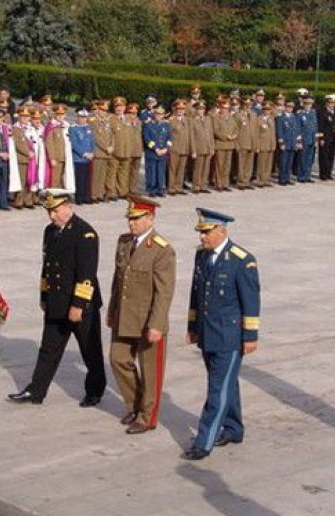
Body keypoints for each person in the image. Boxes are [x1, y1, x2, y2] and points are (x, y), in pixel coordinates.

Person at [8, 189, 106, 406]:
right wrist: (44, 295)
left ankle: (94, 390)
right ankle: (36, 391)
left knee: (90, 352)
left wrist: (78, 305)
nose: (52, 216)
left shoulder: (85, 233)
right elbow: (48, 267)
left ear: (67, 206)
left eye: (55, 211)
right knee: (48, 349)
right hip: (56, 302)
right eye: (49, 211)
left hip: (80, 306)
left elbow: (87, 273)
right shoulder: (50, 232)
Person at [183, 208, 260, 460]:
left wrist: (250, 337)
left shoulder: (241, 260)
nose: (203, 237)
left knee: (217, 389)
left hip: (229, 337)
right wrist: (193, 327)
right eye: (201, 233)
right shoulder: (202, 256)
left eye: (207, 232)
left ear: (222, 231)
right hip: (208, 333)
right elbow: (196, 294)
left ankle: (204, 441)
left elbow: (250, 302)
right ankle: (234, 428)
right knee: (227, 384)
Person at [107, 196, 176, 434]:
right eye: (130, 218)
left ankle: (147, 417)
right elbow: (117, 282)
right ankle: (135, 404)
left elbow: (164, 292)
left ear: (150, 218)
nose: (131, 224)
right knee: (117, 359)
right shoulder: (124, 242)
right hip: (125, 316)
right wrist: (112, 311)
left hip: (148, 320)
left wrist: (156, 324)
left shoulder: (161, 249)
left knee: (151, 372)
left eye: (136, 219)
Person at [142, 107, 171, 197]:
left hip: (163, 152)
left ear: (163, 115)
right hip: (152, 152)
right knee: (152, 172)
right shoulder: (149, 125)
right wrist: (155, 148)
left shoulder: (166, 125)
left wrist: (166, 148)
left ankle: (160, 189)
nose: (159, 116)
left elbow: (169, 138)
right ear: (154, 114)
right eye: (157, 114)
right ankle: (152, 189)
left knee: (161, 171)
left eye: (161, 114)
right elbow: (147, 139)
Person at [68, 109, 94, 204]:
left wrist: (92, 152)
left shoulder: (88, 128)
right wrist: (84, 153)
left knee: (87, 179)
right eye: (81, 117)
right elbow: (74, 144)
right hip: (79, 158)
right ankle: (79, 198)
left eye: (84, 118)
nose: (83, 119)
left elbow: (92, 141)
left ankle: (86, 197)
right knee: (79, 179)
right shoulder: (73, 128)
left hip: (88, 158)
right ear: (77, 117)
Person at [212, 97, 238, 191]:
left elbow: (236, 128)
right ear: (220, 108)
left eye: (227, 108)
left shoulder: (231, 118)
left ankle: (225, 184)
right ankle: (218, 184)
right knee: (219, 165)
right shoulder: (216, 118)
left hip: (230, 144)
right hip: (221, 144)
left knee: (227, 166)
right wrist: (226, 136)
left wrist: (234, 135)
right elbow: (216, 131)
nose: (225, 110)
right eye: (223, 108)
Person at [166, 99, 192, 195]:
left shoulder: (187, 120)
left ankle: (179, 187)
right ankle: (171, 188)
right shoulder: (171, 120)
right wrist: (169, 147)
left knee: (181, 169)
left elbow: (189, 135)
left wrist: (190, 148)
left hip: (184, 148)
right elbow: (167, 135)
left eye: (182, 109)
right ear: (175, 109)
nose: (180, 111)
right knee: (173, 169)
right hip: (174, 149)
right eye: (178, 109)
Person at [91, 100, 114, 202]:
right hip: (98, 151)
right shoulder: (92, 121)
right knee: (96, 175)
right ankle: (94, 194)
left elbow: (112, 135)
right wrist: (106, 147)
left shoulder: (107, 121)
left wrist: (112, 146)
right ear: (98, 109)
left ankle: (100, 193)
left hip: (107, 152)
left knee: (102, 175)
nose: (103, 112)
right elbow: (95, 137)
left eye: (105, 110)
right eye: (102, 110)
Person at [189, 101, 214, 193]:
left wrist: (212, 147)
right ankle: (196, 186)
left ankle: (203, 186)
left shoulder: (208, 119)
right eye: (199, 109)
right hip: (199, 147)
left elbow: (210, 134)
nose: (201, 111)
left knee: (206, 168)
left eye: (203, 109)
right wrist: (193, 150)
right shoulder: (192, 120)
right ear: (196, 110)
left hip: (207, 147)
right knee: (198, 168)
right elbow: (191, 136)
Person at [295, 92, 317, 183]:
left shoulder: (313, 113)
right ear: (303, 103)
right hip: (304, 139)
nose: (309, 105)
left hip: (311, 139)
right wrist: (299, 141)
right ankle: (301, 176)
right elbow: (297, 128)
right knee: (302, 159)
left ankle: (308, 176)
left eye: (310, 103)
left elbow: (315, 126)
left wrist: (316, 140)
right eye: (307, 103)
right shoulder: (300, 114)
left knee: (310, 159)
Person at [254, 101, 277, 187]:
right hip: (262, 144)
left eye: (268, 109)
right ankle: (260, 180)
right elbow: (257, 133)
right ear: (262, 110)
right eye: (265, 109)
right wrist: (257, 146)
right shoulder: (259, 119)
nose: (267, 111)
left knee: (268, 164)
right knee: (261, 164)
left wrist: (272, 107)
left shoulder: (272, 118)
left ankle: (267, 180)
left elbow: (276, 111)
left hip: (271, 144)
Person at [275, 101, 297, 185]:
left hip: (292, 142)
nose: (290, 109)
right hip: (285, 142)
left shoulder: (294, 117)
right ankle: (282, 179)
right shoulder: (281, 117)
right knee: (283, 162)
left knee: (289, 162)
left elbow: (296, 130)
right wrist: (281, 143)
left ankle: (287, 178)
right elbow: (279, 130)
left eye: (291, 107)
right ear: (285, 107)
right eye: (288, 107)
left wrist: (296, 142)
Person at [317, 95, 335, 181]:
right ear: (326, 103)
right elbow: (321, 125)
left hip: (333, 137)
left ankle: (329, 172)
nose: (332, 105)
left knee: (331, 155)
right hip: (325, 137)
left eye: (333, 103)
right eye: (330, 103)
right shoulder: (322, 112)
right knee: (323, 155)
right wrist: (321, 138)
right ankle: (323, 174)